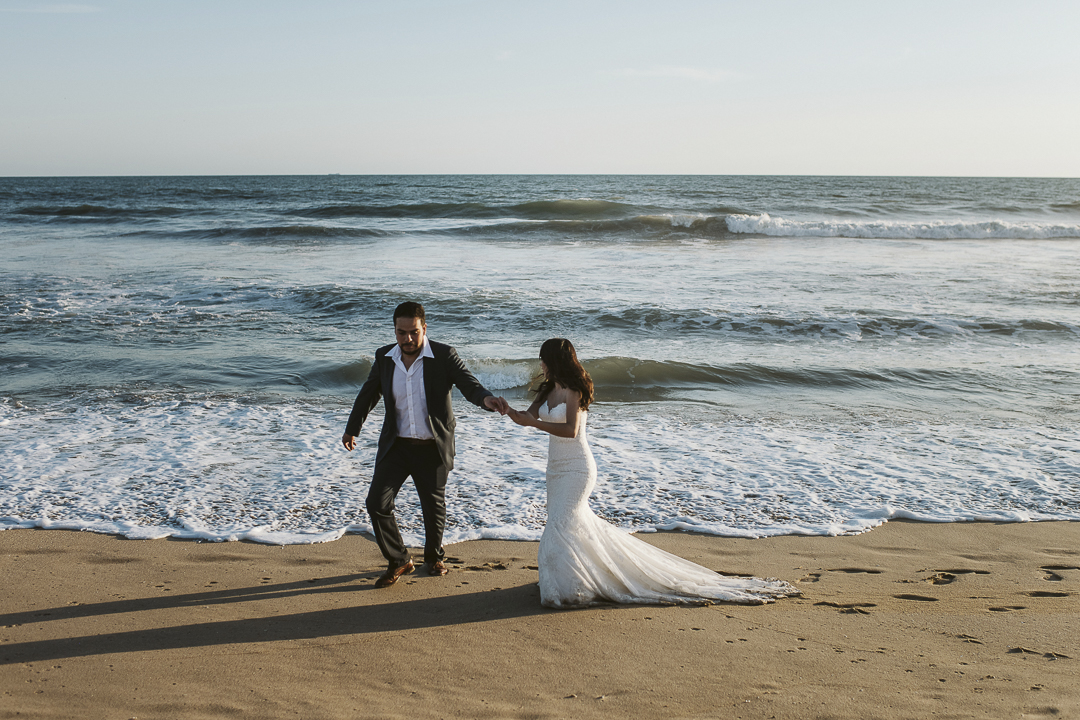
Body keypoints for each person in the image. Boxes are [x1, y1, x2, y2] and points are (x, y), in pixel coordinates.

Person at [504, 338, 797, 608]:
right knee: (565, 525)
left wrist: (533, 425)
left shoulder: (573, 390)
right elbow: (528, 417)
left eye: (543, 359)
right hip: (554, 470)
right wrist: (509, 411)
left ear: (555, 360)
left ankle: (569, 587)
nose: (540, 364)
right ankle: (575, 578)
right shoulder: (547, 389)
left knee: (560, 524)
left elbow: (570, 430)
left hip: (578, 468)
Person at [343, 301, 509, 588]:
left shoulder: (444, 355)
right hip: (397, 446)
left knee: (432, 507)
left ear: (424, 328)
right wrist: (352, 428)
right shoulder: (385, 357)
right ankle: (400, 560)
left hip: (432, 446)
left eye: (413, 332)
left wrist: (487, 400)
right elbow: (368, 394)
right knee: (376, 504)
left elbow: (468, 385)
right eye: (401, 332)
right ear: (394, 331)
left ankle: (433, 557)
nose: (407, 339)